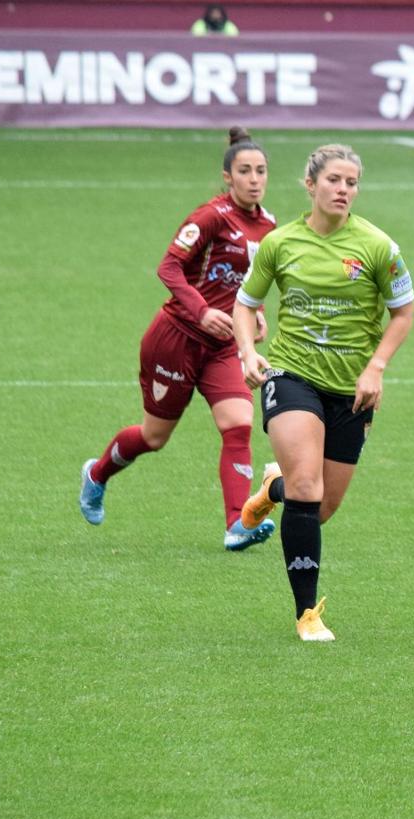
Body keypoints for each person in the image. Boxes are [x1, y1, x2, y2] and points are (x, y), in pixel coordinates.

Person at [232, 144, 414, 642]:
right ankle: (307, 613)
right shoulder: (280, 243)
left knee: (320, 506)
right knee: (309, 490)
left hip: (353, 390)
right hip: (291, 375)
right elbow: (245, 305)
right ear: (310, 185)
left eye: (351, 182)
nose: (343, 190)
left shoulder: (378, 246)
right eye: (334, 180)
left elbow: (403, 312)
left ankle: (274, 489)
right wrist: (248, 353)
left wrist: (376, 367)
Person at [79, 126, 277, 552]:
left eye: (261, 171)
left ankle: (236, 523)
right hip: (176, 339)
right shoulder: (210, 217)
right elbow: (169, 268)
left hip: (224, 346)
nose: (255, 179)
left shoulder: (269, 224)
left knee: (238, 426)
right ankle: (96, 475)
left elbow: (252, 280)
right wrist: (202, 310)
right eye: (245, 171)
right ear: (228, 177)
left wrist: (256, 313)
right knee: (154, 437)